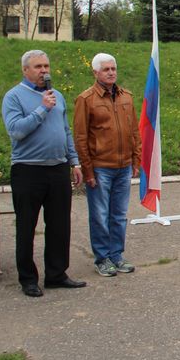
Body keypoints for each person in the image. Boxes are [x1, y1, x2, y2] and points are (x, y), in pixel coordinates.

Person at [2, 50, 85, 297]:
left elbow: (65, 130)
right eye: (38, 66)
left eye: (46, 66)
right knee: (26, 226)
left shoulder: (57, 95)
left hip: (58, 168)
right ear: (25, 70)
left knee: (59, 225)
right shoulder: (13, 96)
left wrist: (74, 162)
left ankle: (56, 274)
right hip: (28, 169)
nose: (44, 71)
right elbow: (16, 131)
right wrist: (42, 109)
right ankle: (28, 279)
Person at [74, 53, 141, 277]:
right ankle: (102, 258)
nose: (111, 72)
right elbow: (81, 138)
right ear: (95, 72)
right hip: (100, 167)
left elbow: (134, 131)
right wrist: (88, 170)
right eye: (106, 69)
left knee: (119, 215)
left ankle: (117, 255)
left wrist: (136, 159)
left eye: (113, 68)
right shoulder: (86, 99)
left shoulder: (126, 97)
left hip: (123, 166)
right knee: (100, 215)